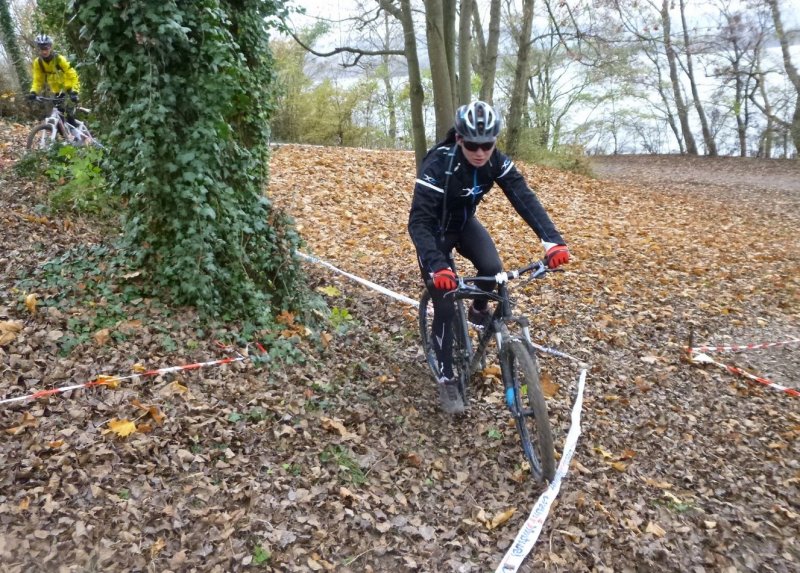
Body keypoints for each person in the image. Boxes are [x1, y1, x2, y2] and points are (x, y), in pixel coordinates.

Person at [408, 100, 570, 414]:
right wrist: (437, 265)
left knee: (493, 269)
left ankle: (477, 310)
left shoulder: (495, 161)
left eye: (487, 144)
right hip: (434, 231)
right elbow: (418, 222)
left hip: (464, 224)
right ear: (458, 138)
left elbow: (524, 197)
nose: (480, 152)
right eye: (472, 145)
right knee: (443, 300)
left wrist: (553, 241)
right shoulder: (437, 164)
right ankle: (446, 376)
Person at [27, 34, 81, 126]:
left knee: (70, 117)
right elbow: (37, 80)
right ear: (38, 49)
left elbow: (73, 75)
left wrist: (75, 91)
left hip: (69, 89)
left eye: (46, 48)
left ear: (50, 47)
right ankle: (67, 138)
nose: (44, 51)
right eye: (41, 49)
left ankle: (78, 137)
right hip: (57, 91)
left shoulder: (59, 59)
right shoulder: (38, 62)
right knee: (60, 119)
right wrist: (33, 92)